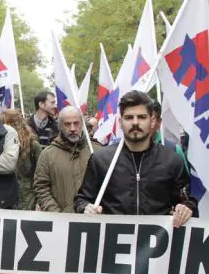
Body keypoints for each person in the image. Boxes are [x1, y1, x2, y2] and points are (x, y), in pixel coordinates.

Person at [75, 90, 197, 225]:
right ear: (120, 122)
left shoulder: (172, 161)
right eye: (129, 117)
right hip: (112, 242)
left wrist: (187, 208)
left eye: (141, 117)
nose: (135, 122)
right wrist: (85, 209)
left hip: (157, 243)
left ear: (152, 121)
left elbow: (187, 200)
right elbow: (82, 200)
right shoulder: (100, 159)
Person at [33, 106, 98, 213]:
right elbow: (41, 187)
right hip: (60, 223)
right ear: (60, 126)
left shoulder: (96, 151)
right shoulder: (48, 155)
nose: (72, 128)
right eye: (67, 124)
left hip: (92, 222)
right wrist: (56, 213)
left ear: (82, 124)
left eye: (76, 123)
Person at [2, 108, 41, 210]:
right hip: (4, 200)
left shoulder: (33, 146)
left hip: (28, 202)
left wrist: (39, 202)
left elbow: (41, 177)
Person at [151, 100, 189, 174]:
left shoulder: (174, 150)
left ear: (159, 122)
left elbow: (184, 184)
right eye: (141, 117)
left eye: (151, 119)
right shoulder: (122, 150)